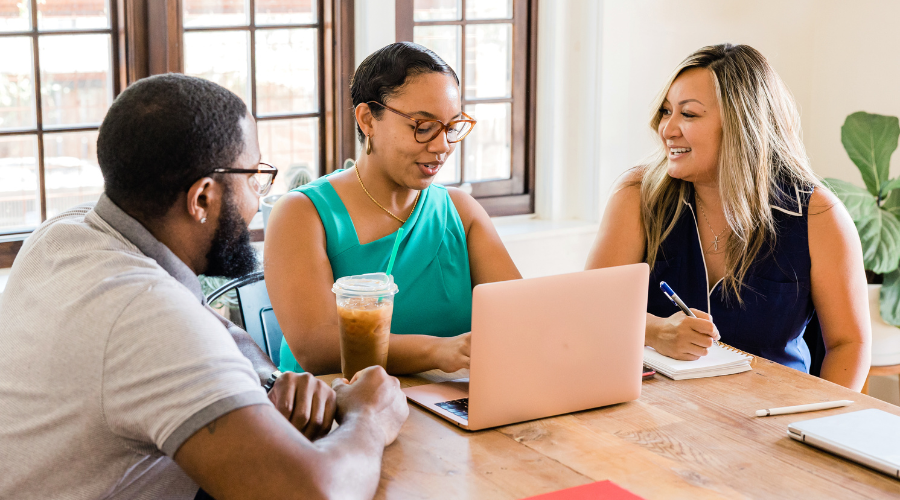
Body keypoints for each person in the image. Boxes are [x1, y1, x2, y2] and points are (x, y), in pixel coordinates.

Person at [0, 74, 408, 499]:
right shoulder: (145, 315)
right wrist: (369, 418)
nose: (258, 199)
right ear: (201, 199)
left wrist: (268, 381)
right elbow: (317, 492)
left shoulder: (65, 232)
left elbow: (206, 323)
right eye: (254, 178)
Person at [585, 44, 871, 390]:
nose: (667, 129)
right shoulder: (637, 197)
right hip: (657, 414)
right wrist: (655, 331)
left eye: (688, 114)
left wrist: (821, 425)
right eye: (665, 112)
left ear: (741, 124)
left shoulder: (818, 215)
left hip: (774, 419)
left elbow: (848, 344)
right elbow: (590, 311)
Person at [265, 42, 521, 375]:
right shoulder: (302, 214)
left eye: (452, 127)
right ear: (368, 118)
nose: (442, 146)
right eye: (423, 127)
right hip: (338, 415)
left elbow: (519, 317)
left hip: (445, 411)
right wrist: (437, 352)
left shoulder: (460, 212)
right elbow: (317, 347)